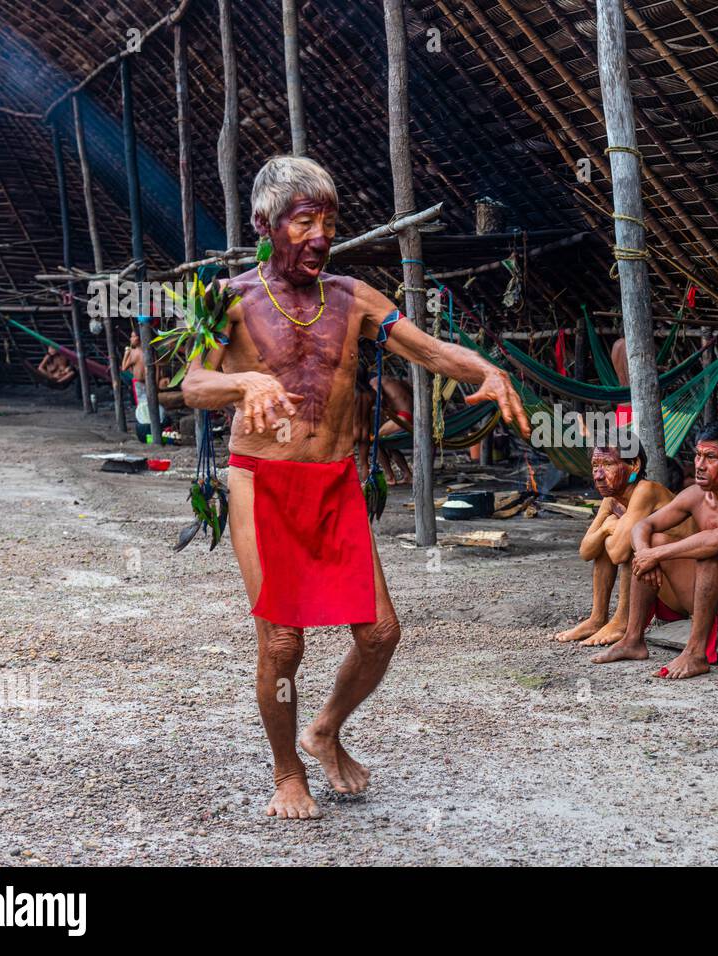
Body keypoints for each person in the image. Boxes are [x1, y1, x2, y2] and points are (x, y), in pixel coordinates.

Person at [182, 155, 528, 820]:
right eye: (303, 221)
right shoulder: (225, 299)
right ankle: (287, 772)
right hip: (261, 480)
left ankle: (324, 730)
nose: (320, 235)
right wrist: (243, 382)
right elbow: (190, 385)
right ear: (265, 224)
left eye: (329, 223)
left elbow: (427, 351)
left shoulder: (353, 297)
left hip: (335, 483)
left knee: (381, 634)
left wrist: (484, 367)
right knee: (283, 642)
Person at [591, 419, 718, 679]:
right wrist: (646, 553)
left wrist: (655, 555)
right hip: (710, 599)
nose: (699, 465)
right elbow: (643, 526)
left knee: (709, 552)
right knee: (654, 541)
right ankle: (633, 640)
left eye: (710, 457)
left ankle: (696, 652)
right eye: (698, 456)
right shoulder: (695, 494)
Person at [554, 436, 692, 646]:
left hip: (685, 593)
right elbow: (585, 551)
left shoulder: (646, 490)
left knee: (631, 543)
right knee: (613, 533)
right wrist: (605, 530)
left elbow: (618, 553)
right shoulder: (611, 499)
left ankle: (622, 621)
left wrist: (611, 527)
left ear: (634, 465)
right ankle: (597, 619)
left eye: (608, 464)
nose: (599, 475)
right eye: (595, 466)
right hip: (659, 588)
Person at [356, 373, 414, 485]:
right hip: (409, 415)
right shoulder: (390, 379)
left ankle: (389, 477)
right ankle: (407, 475)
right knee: (388, 444)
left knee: (374, 441)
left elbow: (379, 398)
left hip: (403, 417)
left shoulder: (374, 381)